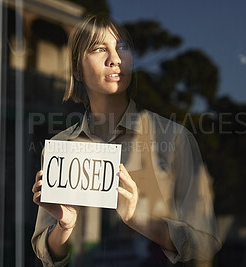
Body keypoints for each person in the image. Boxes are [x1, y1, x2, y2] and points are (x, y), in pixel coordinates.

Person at [31, 14, 222, 266]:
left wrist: (138, 218)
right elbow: (48, 255)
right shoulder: (62, 148)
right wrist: (64, 226)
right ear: (77, 69)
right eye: (99, 48)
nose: (115, 59)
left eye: (122, 47)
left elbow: (205, 245)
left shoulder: (174, 139)